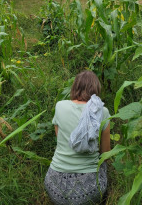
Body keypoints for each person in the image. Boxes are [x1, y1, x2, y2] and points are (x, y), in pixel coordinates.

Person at [44, 70, 111, 205]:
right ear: (96, 90)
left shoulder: (60, 106)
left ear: (74, 87)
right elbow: (106, 153)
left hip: (55, 187)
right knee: (103, 164)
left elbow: (61, 140)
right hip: (90, 191)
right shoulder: (102, 112)